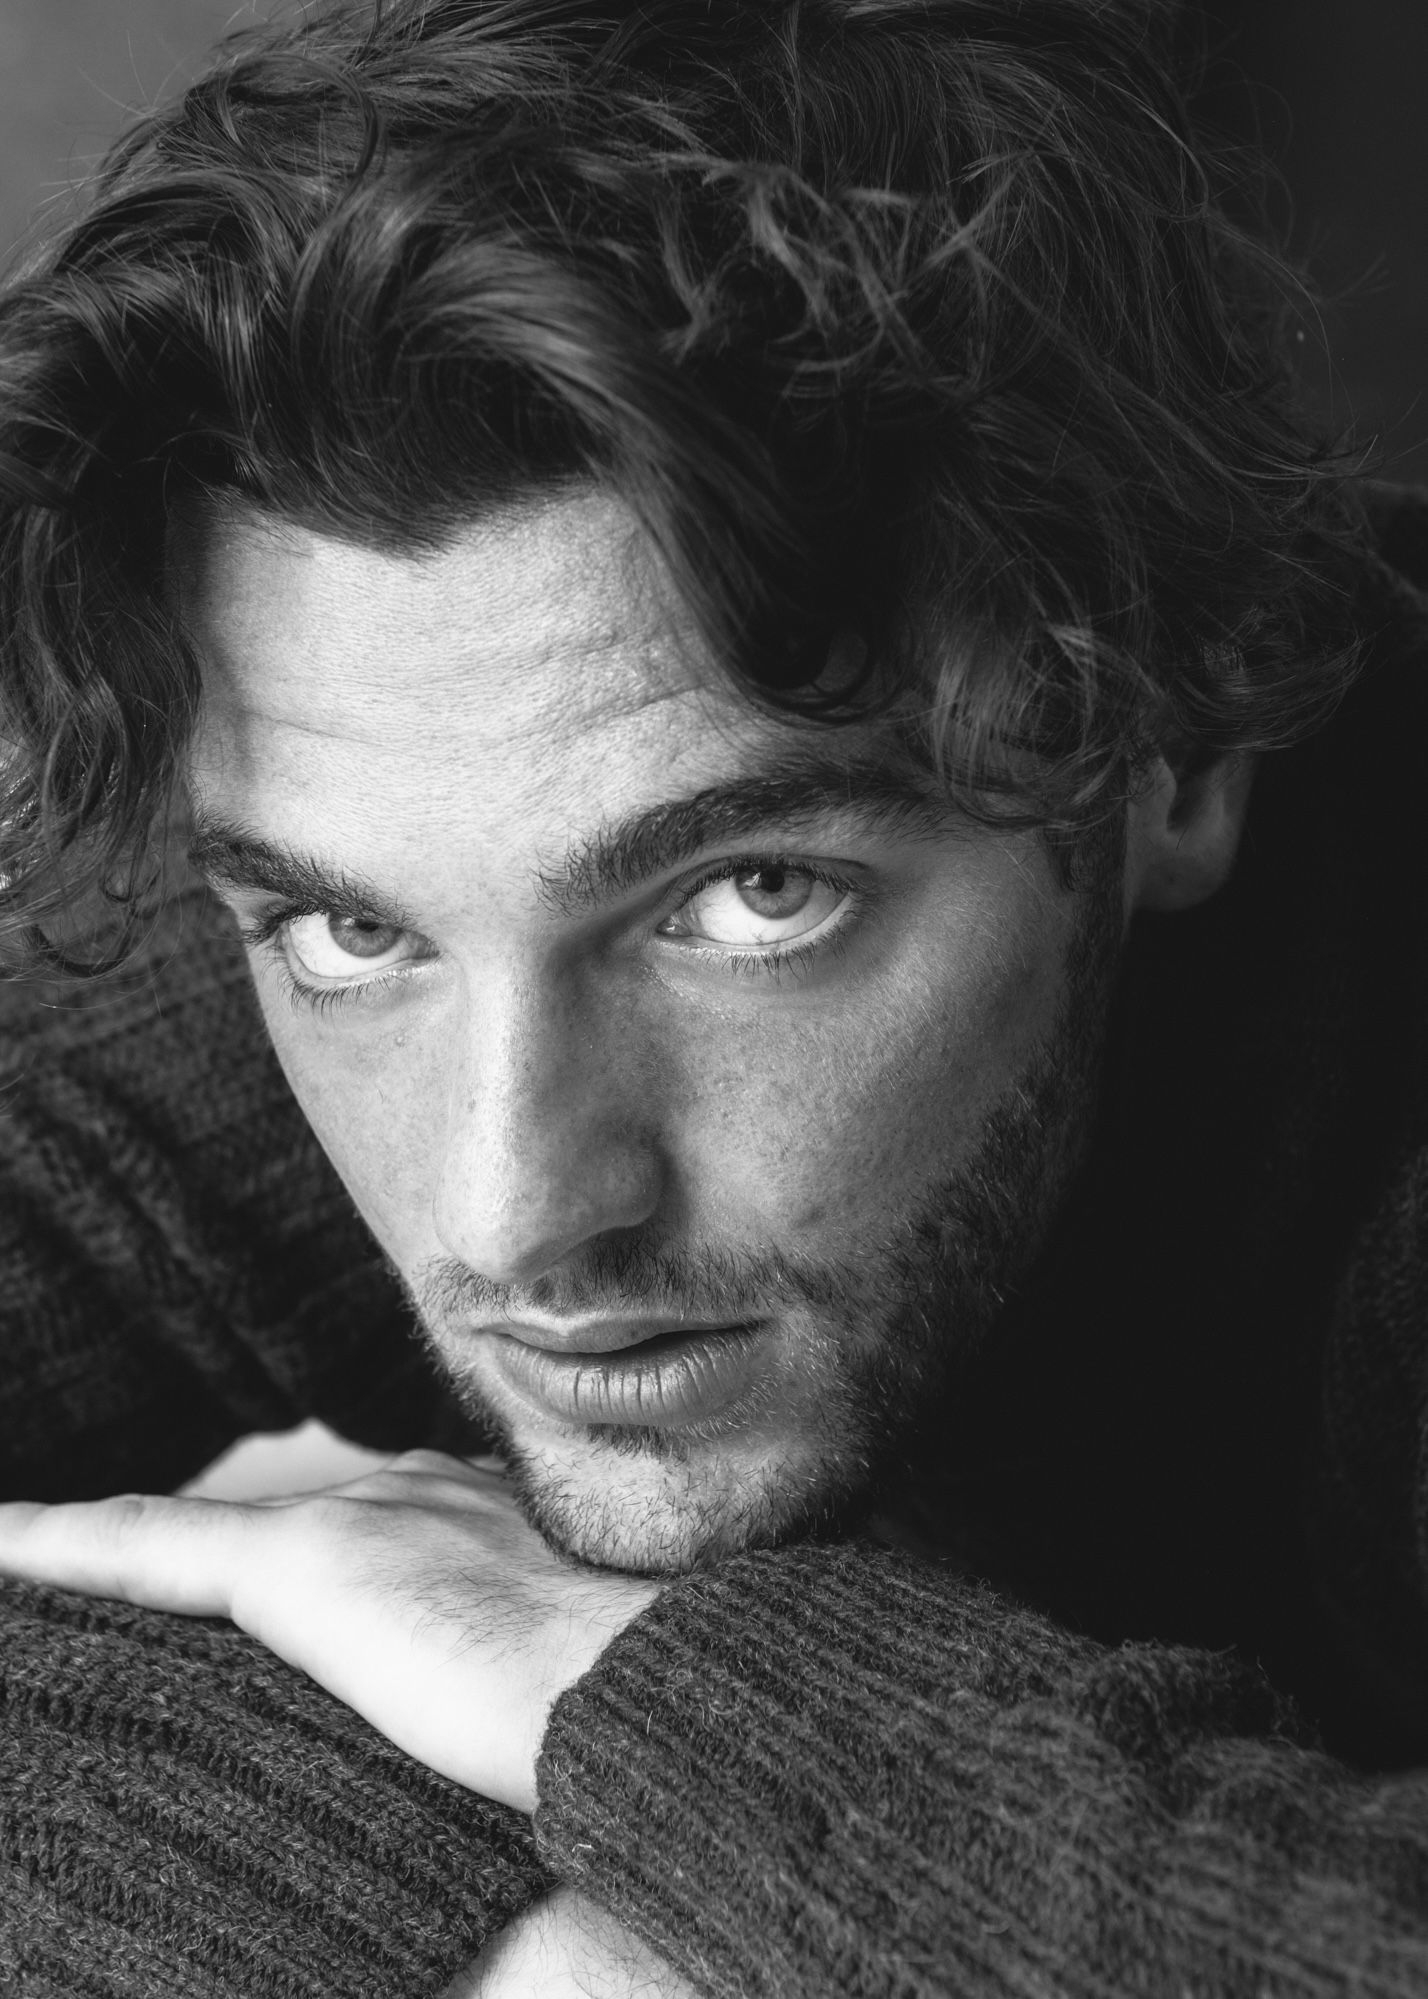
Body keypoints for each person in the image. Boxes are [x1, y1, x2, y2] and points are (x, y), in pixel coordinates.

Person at [0, 0, 1426, 1991]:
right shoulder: (410, 781)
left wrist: (633, 1696)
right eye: (345, 938)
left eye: (752, 899)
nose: (514, 1212)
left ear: (1167, 756)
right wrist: (534, 1951)